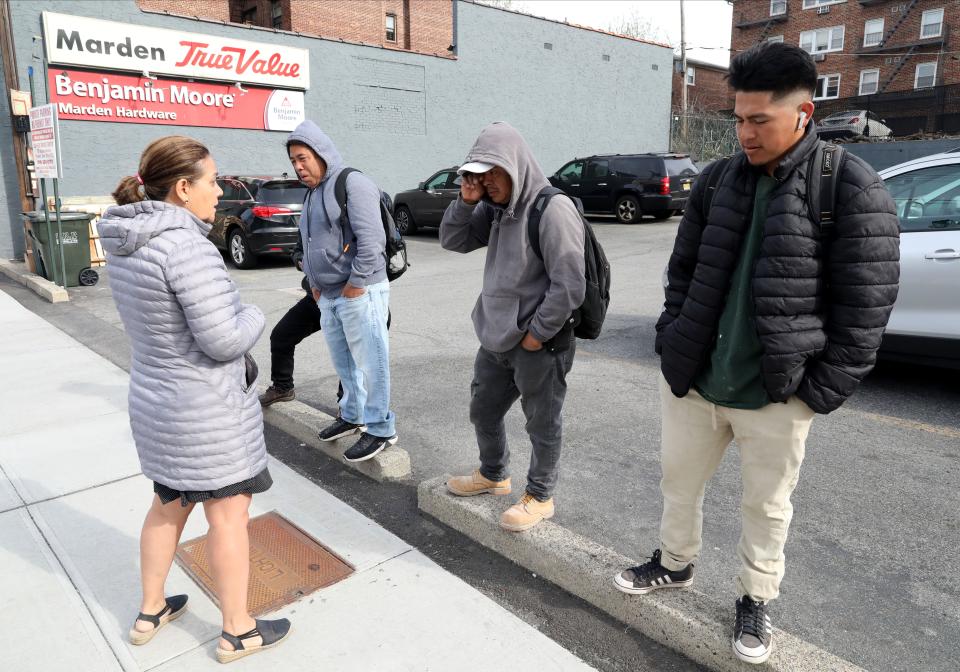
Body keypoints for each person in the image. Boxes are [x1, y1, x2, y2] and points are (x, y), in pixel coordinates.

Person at [612, 42, 900, 665]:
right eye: (738, 119)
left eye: (758, 120)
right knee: (678, 484)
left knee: (766, 507)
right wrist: (672, 339)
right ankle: (674, 563)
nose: (744, 133)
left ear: (803, 113)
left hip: (776, 389)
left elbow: (866, 306)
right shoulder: (718, 180)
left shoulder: (848, 185)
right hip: (694, 378)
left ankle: (755, 598)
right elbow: (682, 271)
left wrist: (816, 391)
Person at [99, 136, 291, 664]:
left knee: (167, 507)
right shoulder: (186, 247)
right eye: (211, 180)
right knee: (228, 518)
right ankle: (237, 631)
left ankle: (150, 609)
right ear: (183, 189)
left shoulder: (127, 240)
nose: (219, 190)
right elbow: (224, 340)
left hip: (158, 402)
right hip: (205, 410)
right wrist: (254, 313)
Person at [440, 122, 586, 532]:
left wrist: (538, 334)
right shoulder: (494, 207)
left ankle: (540, 496)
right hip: (495, 337)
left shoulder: (551, 209)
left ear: (516, 165)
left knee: (542, 422)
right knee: (482, 410)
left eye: (493, 172)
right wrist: (467, 201)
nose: (487, 182)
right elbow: (453, 240)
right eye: (478, 174)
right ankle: (493, 474)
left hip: (537, 342)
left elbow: (570, 283)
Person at [286, 120, 397, 462]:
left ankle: (381, 428)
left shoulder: (352, 183)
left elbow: (372, 241)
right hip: (329, 295)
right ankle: (353, 415)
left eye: (303, 158)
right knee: (344, 362)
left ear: (320, 152)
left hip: (360, 291)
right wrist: (316, 286)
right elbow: (309, 243)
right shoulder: (312, 192)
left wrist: (355, 284)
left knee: (372, 361)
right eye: (293, 161)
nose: (298, 167)